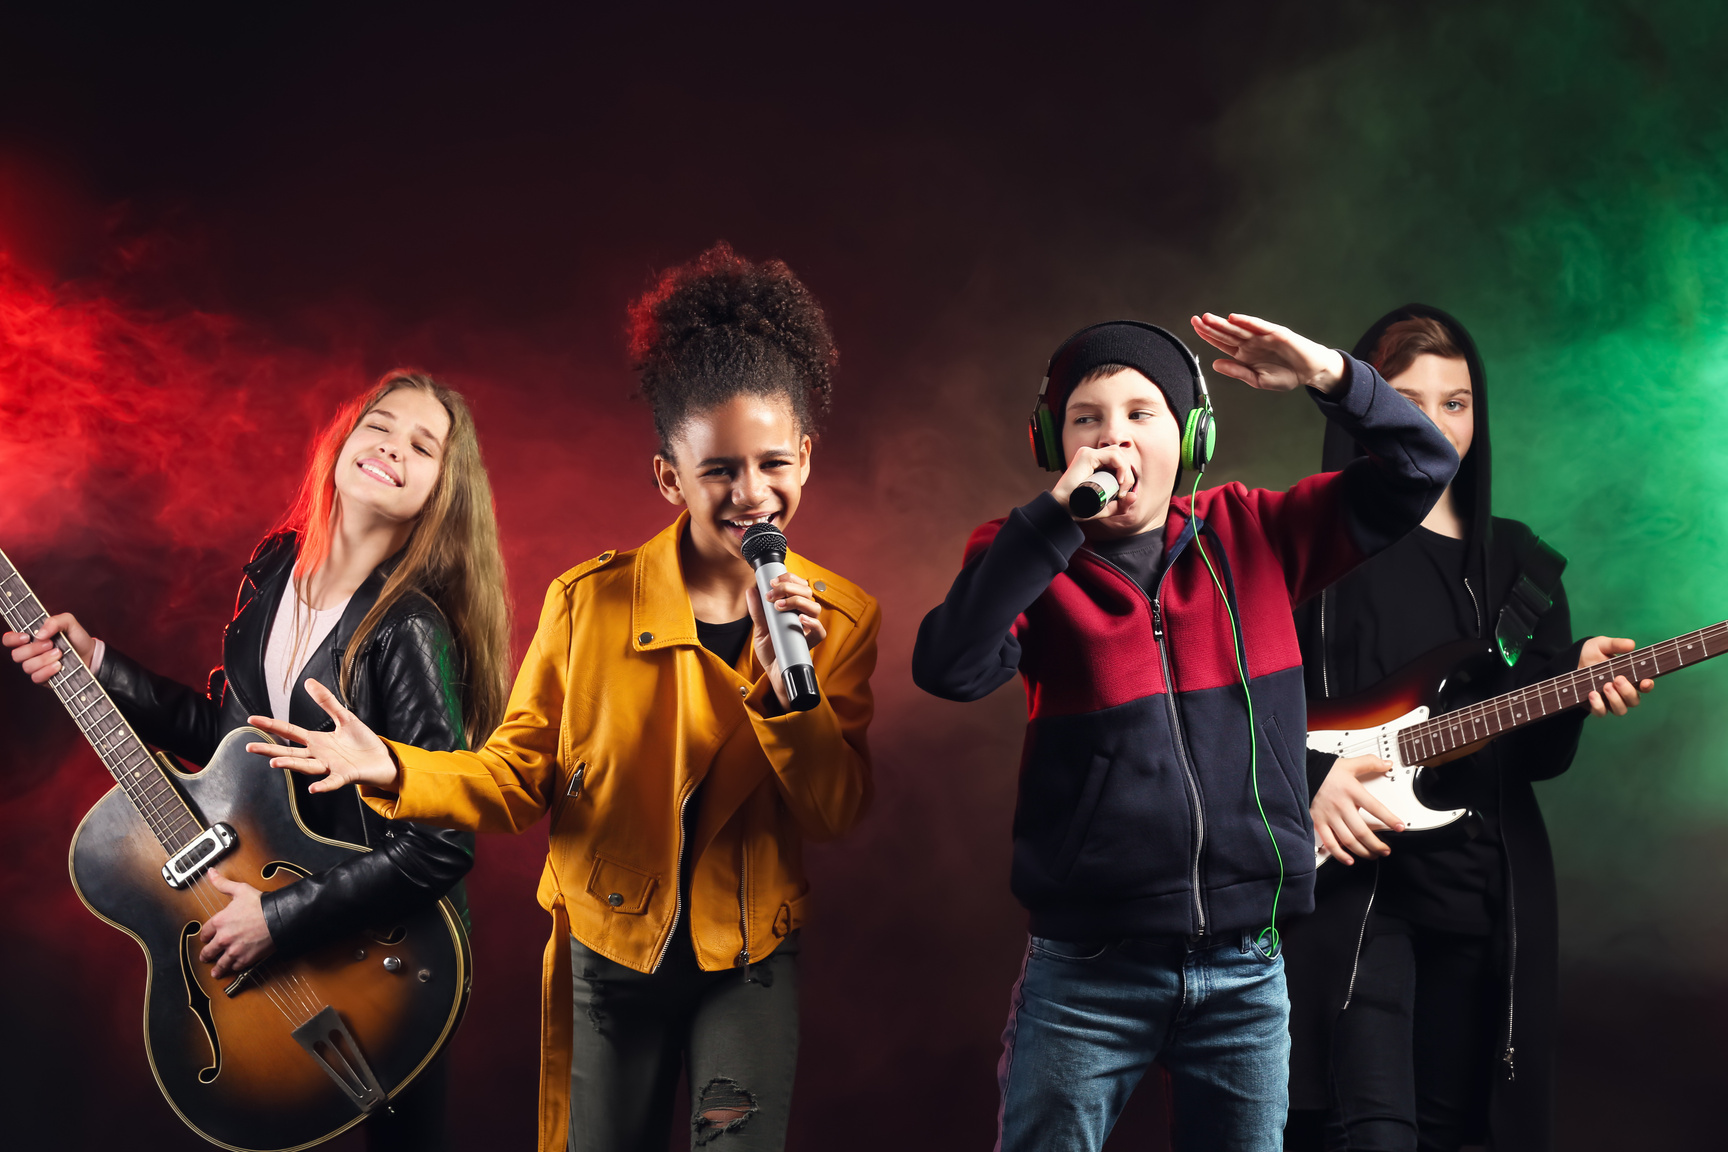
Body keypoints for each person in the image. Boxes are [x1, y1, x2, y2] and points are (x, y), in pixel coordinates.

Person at [247, 243, 879, 1152]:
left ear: (807, 460)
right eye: (720, 472)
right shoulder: (589, 604)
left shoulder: (843, 619)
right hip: (605, 959)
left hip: (747, 962)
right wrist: (390, 763)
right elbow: (514, 781)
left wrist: (789, 702)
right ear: (670, 476)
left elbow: (836, 808)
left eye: (774, 465)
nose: (754, 495)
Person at [911, 313, 1461, 1152]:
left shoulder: (1256, 534)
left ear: (1191, 433)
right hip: (1087, 974)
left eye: (1142, 413)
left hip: (1247, 970)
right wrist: (1048, 527)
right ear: (1054, 446)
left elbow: (1424, 463)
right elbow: (951, 666)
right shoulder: (1020, 554)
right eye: (1087, 419)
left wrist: (1328, 373)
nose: (1114, 438)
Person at [4, 370, 512, 1151]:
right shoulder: (276, 567)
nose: (391, 447)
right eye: (379, 424)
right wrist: (99, 661)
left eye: (424, 445)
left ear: (441, 492)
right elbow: (227, 744)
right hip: (274, 906)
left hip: (387, 957)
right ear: (343, 439)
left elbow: (442, 844)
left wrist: (278, 920)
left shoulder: (408, 628)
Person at [1284, 305, 1652, 1152]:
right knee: (1372, 1134)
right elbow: (1237, 708)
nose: (1438, 424)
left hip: (1484, 900)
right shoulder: (1313, 555)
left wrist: (1571, 688)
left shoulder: (1522, 566)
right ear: (1364, 411)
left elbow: (1534, 758)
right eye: (1407, 401)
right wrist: (1307, 782)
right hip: (1357, 893)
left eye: (1457, 402)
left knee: (1461, 1134)